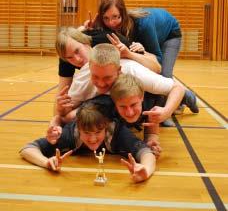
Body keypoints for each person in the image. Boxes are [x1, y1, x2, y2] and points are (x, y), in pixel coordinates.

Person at [84, 0, 199, 125]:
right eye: (106, 18)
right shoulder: (109, 26)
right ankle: (180, 97)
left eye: (115, 17)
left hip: (170, 35)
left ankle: (186, 98)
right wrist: (89, 29)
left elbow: (158, 61)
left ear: (123, 14)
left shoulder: (144, 25)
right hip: (151, 36)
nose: (111, 23)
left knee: (164, 75)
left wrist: (142, 52)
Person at [20, 99, 156, 183]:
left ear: (106, 127)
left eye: (98, 132)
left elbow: (146, 152)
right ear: (78, 128)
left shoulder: (117, 133)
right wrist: (46, 163)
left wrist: (146, 171)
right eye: (86, 133)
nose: (92, 139)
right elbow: (28, 149)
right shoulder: (70, 134)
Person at [53, 43, 185, 128]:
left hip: (150, 86)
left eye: (107, 77)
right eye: (95, 76)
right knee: (72, 117)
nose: (101, 83)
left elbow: (178, 88)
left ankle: (189, 99)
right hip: (108, 103)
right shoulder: (82, 79)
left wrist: (167, 111)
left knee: (178, 95)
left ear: (119, 70)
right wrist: (60, 109)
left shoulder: (134, 72)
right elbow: (65, 114)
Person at [54, 26, 161, 114]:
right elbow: (63, 94)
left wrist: (129, 54)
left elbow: (156, 68)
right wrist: (55, 121)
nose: (77, 60)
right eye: (69, 57)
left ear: (86, 43)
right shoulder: (66, 55)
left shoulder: (112, 42)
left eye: (77, 51)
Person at [110, 73, 161, 157]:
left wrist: (151, 142)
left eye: (133, 105)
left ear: (142, 97)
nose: (129, 112)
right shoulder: (108, 109)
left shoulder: (151, 103)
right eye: (122, 106)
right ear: (114, 103)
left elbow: (151, 133)